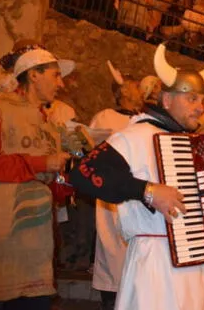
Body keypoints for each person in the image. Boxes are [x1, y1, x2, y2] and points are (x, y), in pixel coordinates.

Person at [68, 44, 204, 310]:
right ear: (167, 100)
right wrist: (147, 190)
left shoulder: (195, 145)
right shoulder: (134, 135)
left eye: (201, 100)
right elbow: (83, 173)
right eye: (191, 98)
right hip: (154, 262)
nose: (200, 107)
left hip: (196, 263)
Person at [0, 44, 74, 309]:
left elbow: (48, 178)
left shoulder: (48, 123)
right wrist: (42, 162)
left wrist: (65, 181)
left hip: (34, 246)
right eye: (56, 75)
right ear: (33, 75)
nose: (62, 84)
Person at [89, 63, 144, 310]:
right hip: (111, 193)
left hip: (139, 194)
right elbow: (90, 150)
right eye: (135, 85)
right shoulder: (105, 117)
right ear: (122, 91)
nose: (140, 89)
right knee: (111, 248)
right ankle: (110, 302)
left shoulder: (144, 120)